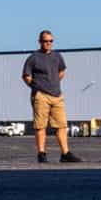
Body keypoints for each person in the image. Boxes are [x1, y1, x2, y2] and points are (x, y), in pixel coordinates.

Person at [22, 30, 80, 164]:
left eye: (50, 41)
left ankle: (65, 154)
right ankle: (41, 154)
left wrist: (54, 83)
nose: (48, 43)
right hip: (41, 96)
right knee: (40, 126)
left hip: (57, 96)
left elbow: (62, 71)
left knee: (61, 125)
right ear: (40, 42)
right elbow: (26, 76)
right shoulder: (33, 58)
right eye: (45, 41)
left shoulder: (57, 56)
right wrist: (36, 88)